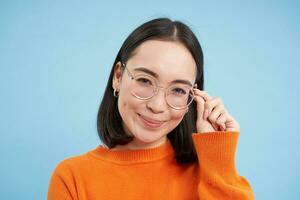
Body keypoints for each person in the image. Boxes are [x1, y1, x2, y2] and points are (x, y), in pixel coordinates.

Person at [47, 18, 255, 200]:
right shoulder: (72, 177)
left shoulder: (211, 177)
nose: (157, 106)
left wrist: (219, 157)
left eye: (179, 90)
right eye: (145, 80)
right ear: (118, 77)